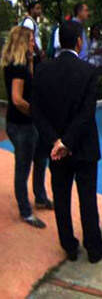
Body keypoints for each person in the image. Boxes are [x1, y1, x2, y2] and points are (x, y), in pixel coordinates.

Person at [31, 20, 102, 263]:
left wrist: (56, 141)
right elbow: (87, 113)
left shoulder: (43, 70)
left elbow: (36, 111)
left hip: (56, 150)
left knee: (62, 197)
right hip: (83, 146)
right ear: (79, 41)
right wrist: (67, 141)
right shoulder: (88, 71)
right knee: (87, 198)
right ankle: (94, 247)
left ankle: (69, 246)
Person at [1, 26, 52, 228]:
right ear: (22, 42)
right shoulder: (17, 66)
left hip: (28, 124)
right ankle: (26, 211)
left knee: (41, 160)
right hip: (21, 125)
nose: (33, 42)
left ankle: (40, 197)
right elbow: (17, 99)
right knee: (23, 168)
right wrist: (35, 112)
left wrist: (32, 59)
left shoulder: (24, 63)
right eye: (30, 40)